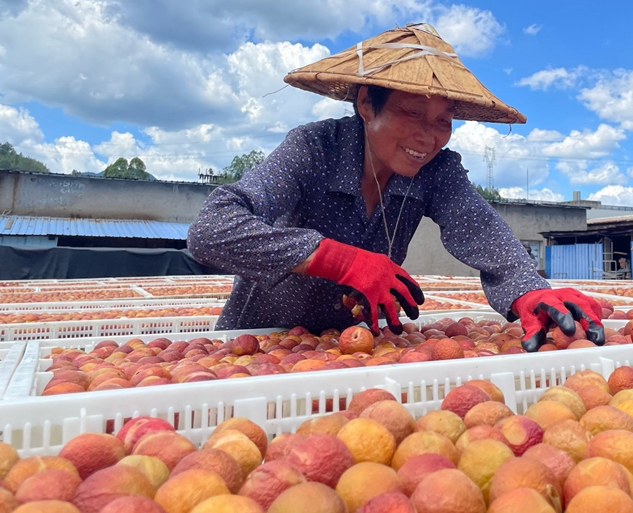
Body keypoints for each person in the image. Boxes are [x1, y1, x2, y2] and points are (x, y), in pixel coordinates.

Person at [187, 23, 604, 352]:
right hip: (260, 345)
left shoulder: (436, 171)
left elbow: (481, 229)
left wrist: (528, 290)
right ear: (367, 105)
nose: (428, 136)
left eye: (443, 120)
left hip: (354, 350)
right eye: (412, 112)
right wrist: (340, 261)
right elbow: (212, 229)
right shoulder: (314, 149)